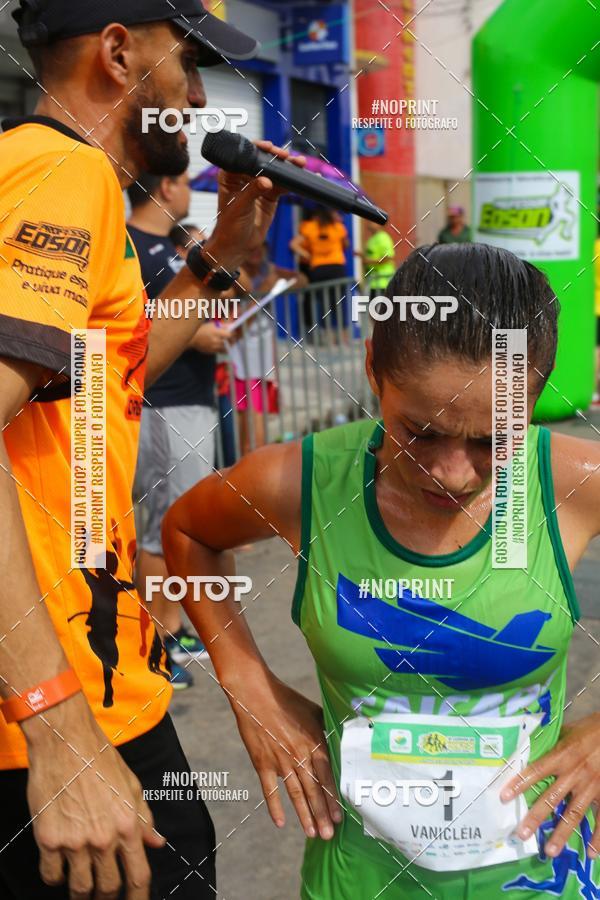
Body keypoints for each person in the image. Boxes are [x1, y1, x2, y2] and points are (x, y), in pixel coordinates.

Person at [164, 242, 600, 899]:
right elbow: (188, 529)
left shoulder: (571, 480)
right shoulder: (299, 481)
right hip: (361, 880)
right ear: (372, 369)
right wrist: (248, 682)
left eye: (493, 439)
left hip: (538, 875)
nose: (454, 473)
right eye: (421, 432)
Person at [0, 1, 304, 897]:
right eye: (188, 66)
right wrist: (54, 727)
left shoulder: (43, 171)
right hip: (52, 725)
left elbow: (107, 368)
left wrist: (219, 259)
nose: (200, 97)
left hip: (88, 687)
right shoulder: (63, 175)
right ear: (120, 54)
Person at [128, 177, 231, 691]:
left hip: (190, 402)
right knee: (162, 526)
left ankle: (171, 627)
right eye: (185, 184)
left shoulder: (166, 250)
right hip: (164, 405)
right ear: (167, 188)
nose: (192, 193)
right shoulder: (130, 246)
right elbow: (135, 324)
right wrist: (198, 335)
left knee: (178, 521)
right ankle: (155, 641)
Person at [231, 242, 308, 455]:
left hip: (261, 365)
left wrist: (281, 280)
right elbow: (233, 327)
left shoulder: (268, 270)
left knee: (257, 436)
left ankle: (250, 479)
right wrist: (265, 291)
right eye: (251, 246)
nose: (257, 250)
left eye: (262, 246)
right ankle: (248, 481)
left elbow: (302, 280)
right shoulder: (234, 276)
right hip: (239, 365)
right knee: (251, 441)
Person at [290, 205, 349, 337]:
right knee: (340, 303)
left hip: (318, 268)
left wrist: (308, 256)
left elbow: (293, 244)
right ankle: (342, 337)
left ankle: (326, 336)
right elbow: (345, 245)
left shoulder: (309, 227)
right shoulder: (338, 227)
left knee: (324, 304)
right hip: (337, 267)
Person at [354, 220, 396, 296]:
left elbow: (387, 258)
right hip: (373, 282)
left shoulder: (383, 237)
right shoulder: (372, 239)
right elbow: (371, 255)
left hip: (383, 282)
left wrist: (368, 261)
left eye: (373, 221)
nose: (370, 222)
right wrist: (362, 256)